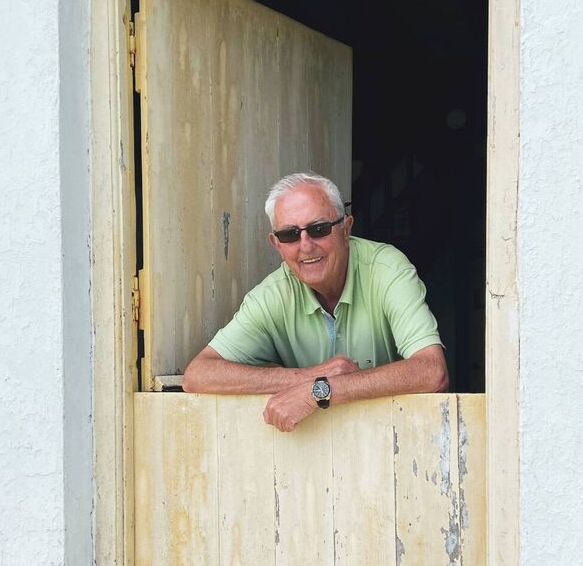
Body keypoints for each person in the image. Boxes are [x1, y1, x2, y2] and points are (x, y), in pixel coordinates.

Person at [183, 172, 448, 431]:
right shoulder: (273, 293)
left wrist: (320, 391)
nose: (306, 245)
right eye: (290, 235)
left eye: (319, 229)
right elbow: (198, 375)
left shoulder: (387, 269)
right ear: (276, 244)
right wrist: (311, 376)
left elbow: (432, 371)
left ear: (346, 229)